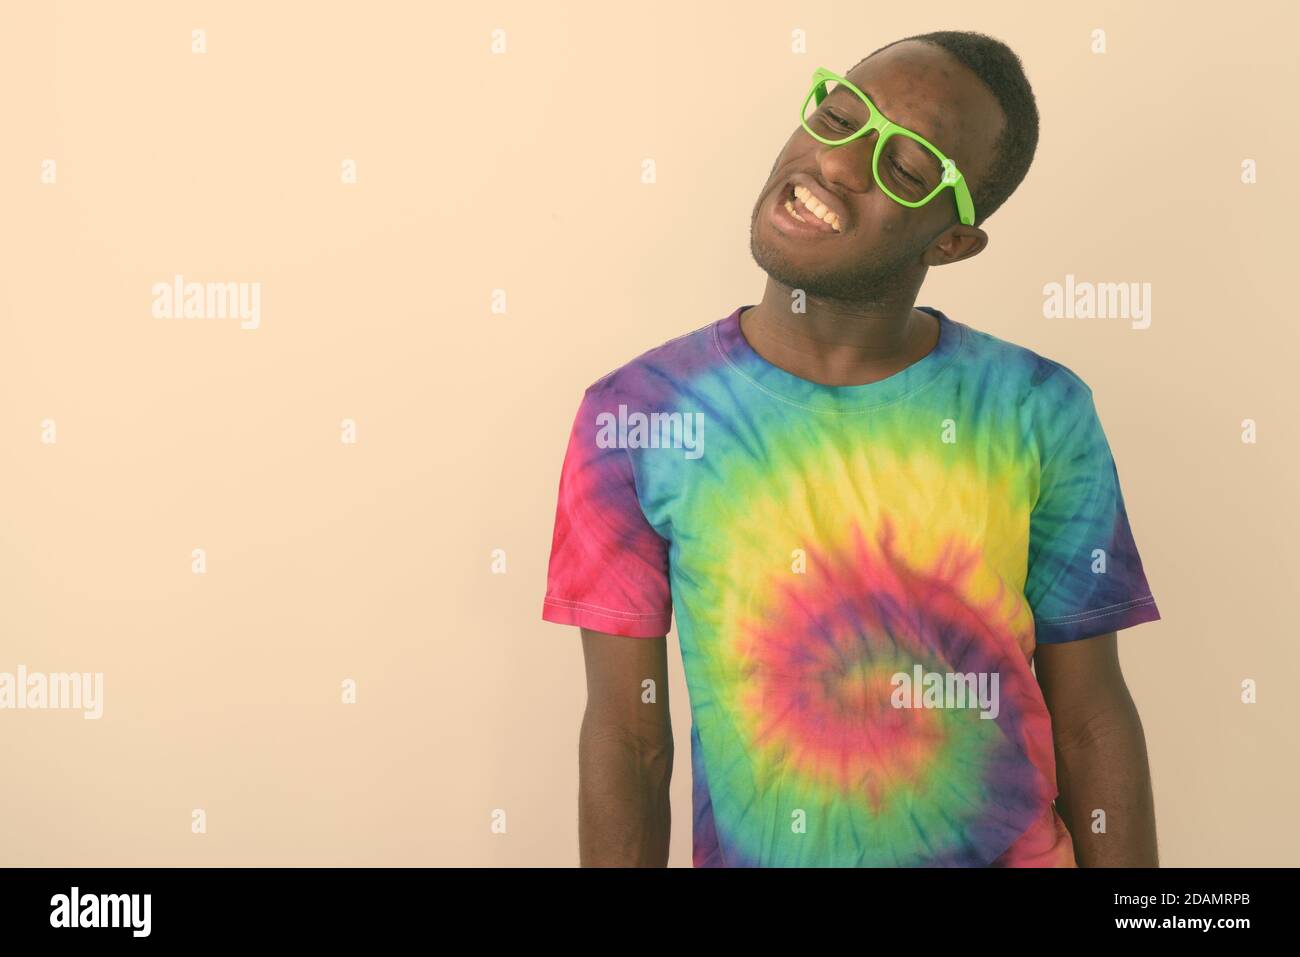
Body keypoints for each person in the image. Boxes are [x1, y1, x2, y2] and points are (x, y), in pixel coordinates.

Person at [541, 30, 1161, 867]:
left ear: (950, 242)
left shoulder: (1039, 408)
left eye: (905, 170)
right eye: (839, 115)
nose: (840, 164)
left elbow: (1091, 716)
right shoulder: (638, 415)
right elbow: (626, 737)